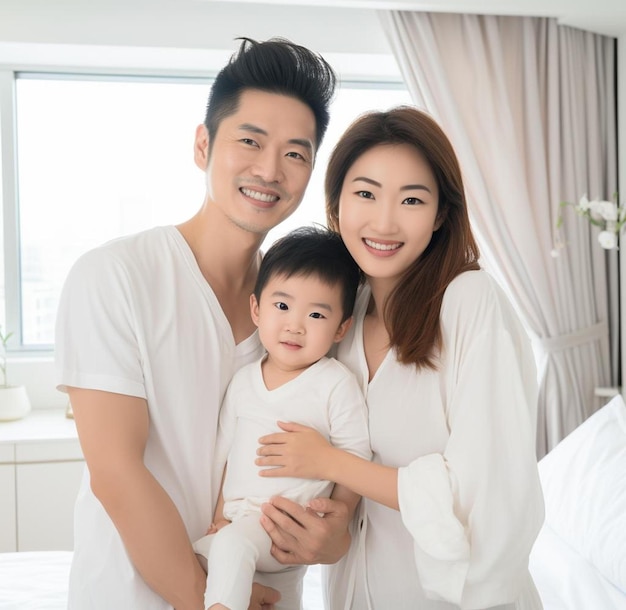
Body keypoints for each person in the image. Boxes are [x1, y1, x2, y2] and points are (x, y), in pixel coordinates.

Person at [54, 37, 344, 610]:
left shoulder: (305, 314)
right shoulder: (116, 276)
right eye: (250, 141)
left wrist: (335, 534)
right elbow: (115, 470)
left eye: (295, 153)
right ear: (203, 144)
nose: (270, 169)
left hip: (270, 591)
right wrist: (205, 597)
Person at [256, 106, 545, 609]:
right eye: (365, 193)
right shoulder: (337, 318)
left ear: (439, 215)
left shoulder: (470, 302)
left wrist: (330, 461)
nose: (384, 222)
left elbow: (483, 495)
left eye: (412, 199)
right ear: (336, 203)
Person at [192, 226, 371, 610]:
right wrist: (220, 516)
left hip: (289, 530)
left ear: (341, 327)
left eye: (317, 314)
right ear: (256, 309)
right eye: (283, 306)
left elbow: (356, 455)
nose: (295, 325)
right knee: (197, 562)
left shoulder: (335, 384)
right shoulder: (242, 383)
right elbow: (226, 455)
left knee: (231, 551)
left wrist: (337, 517)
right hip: (240, 527)